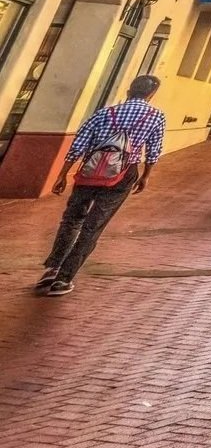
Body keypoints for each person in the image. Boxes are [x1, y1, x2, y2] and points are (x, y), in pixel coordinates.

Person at [37, 75, 166, 297]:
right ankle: (64, 278)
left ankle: (53, 267)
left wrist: (62, 174)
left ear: (129, 91)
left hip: (90, 171)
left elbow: (79, 143)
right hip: (124, 173)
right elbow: (154, 149)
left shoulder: (106, 113)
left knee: (71, 218)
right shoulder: (156, 117)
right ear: (151, 94)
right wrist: (146, 176)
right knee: (93, 225)